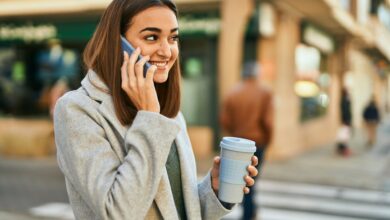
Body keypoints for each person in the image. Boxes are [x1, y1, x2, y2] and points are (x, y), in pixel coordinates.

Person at [53, 1, 259, 219]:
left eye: (173, 38)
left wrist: (213, 190)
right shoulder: (77, 110)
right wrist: (149, 118)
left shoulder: (170, 115)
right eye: (151, 37)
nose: (166, 51)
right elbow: (118, 212)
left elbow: (173, 209)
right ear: (118, 43)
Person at [220, 61, 273, 220]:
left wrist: (235, 134)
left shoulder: (233, 93)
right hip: (257, 143)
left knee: (241, 181)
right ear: (257, 75)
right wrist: (267, 141)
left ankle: (251, 211)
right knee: (249, 182)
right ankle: (249, 214)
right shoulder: (265, 92)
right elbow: (268, 122)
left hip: (236, 144)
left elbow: (224, 119)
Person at [336, 88, 352, 156]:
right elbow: (345, 111)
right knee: (344, 135)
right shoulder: (344, 100)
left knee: (344, 135)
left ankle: (342, 148)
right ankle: (343, 148)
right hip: (346, 120)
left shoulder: (345, 99)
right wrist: (346, 120)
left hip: (345, 120)